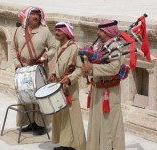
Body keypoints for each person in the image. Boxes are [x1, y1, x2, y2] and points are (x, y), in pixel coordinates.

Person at [11, 6, 57, 134]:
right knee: (24, 95)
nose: (36, 17)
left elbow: (53, 47)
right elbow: (13, 49)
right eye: (33, 15)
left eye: (38, 15)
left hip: (39, 68)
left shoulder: (45, 31)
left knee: (40, 96)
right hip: (23, 69)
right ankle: (29, 123)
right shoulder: (18, 31)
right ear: (27, 16)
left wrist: (47, 56)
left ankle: (41, 125)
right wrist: (17, 64)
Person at [81, 20, 125, 150]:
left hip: (109, 92)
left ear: (108, 32)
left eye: (100, 30)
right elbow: (94, 63)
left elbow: (114, 68)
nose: (97, 33)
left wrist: (92, 67)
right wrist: (86, 70)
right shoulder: (100, 46)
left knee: (109, 124)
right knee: (96, 123)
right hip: (97, 90)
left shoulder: (115, 46)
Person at [48, 21, 86, 150]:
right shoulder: (59, 46)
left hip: (70, 88)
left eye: (59, 30)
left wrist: (69, 79)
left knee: (72, 116)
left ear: (66, 33)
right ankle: (65, 144)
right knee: (62, 116)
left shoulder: (74, 48)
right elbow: (58, 64)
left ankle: (77, 145)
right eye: (56, 30)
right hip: (60, 86)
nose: (56, 32)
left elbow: (80, 69)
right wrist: (53, 73)